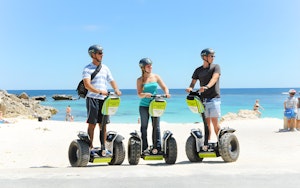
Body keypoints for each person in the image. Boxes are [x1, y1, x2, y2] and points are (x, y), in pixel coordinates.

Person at [82, 44, 122, 156]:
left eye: (102, 53)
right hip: (92, 98)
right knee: (92, 124)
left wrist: (116, 89)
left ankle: (103, 147)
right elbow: (87, 85)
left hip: (104, 99)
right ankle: (89, 147)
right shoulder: (87, 68)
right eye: (99, 53)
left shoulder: (105, 68)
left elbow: (111, 80)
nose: (102, 55)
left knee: (103, 124)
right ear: (93, 55)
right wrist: (99, 91)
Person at [137, 58, 170, 155]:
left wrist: (167, 93)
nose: (150, 67)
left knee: (156, 126)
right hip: (144, 105)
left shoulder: (156, 76)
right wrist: (145, 94)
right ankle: (144, 147)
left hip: (155, 104)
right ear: (143, 68)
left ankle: (157, 147)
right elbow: (139, 94)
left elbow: (164, 87)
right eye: (148, 66)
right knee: (144, 126)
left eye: (151, 65)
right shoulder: (139, 80)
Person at [186, 48, 221, 141]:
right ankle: (207, 143)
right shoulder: (198, 70)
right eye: (211, 56)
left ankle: (221, 142)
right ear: (204, 57)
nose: (213, 58)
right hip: (203, 99)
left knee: (215, 123)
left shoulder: (215, 67)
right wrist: (190, 88)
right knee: (206, 124)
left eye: (213, 56)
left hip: (214, 98)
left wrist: (207, 87)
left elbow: (214, 78)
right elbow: (193, 82)